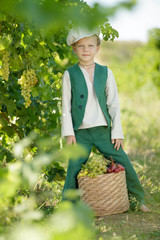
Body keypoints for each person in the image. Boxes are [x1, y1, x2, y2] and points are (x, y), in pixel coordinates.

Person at [61, 28, 150, 212]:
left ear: (98, 48)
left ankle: (138, 200)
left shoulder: (106, 72)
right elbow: (66, 106)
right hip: (80, 133)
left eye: (90, 46)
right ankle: (68, 206)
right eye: (81, 46)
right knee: (74, 167)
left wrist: (117, 132)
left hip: (103, 131)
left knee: (123, 161)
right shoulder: (69, 74)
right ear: (74, 49)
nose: (86, 50)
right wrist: (69, 133)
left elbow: (114, 105)